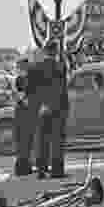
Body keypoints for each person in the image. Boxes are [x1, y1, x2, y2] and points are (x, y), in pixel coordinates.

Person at [34, 40, 69, 179]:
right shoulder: (61, 66)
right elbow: (62, 87)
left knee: (43, 140)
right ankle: (57, 170)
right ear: (55, 51)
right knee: (57, 140)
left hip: (43, 108)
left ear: (45, 51)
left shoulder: (38, 67)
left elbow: (35, 89)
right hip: (59, 108)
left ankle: (41, 170)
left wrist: (41, 104)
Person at [14, 58, 40, 177]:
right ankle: (24, 167)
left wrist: (21, 98)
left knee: (23, 142)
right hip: (27, 113)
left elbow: (22, 95)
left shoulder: (22, 79)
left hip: (23, 113)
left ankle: (23, 167)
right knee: (26, 141)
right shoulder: (29, 78)